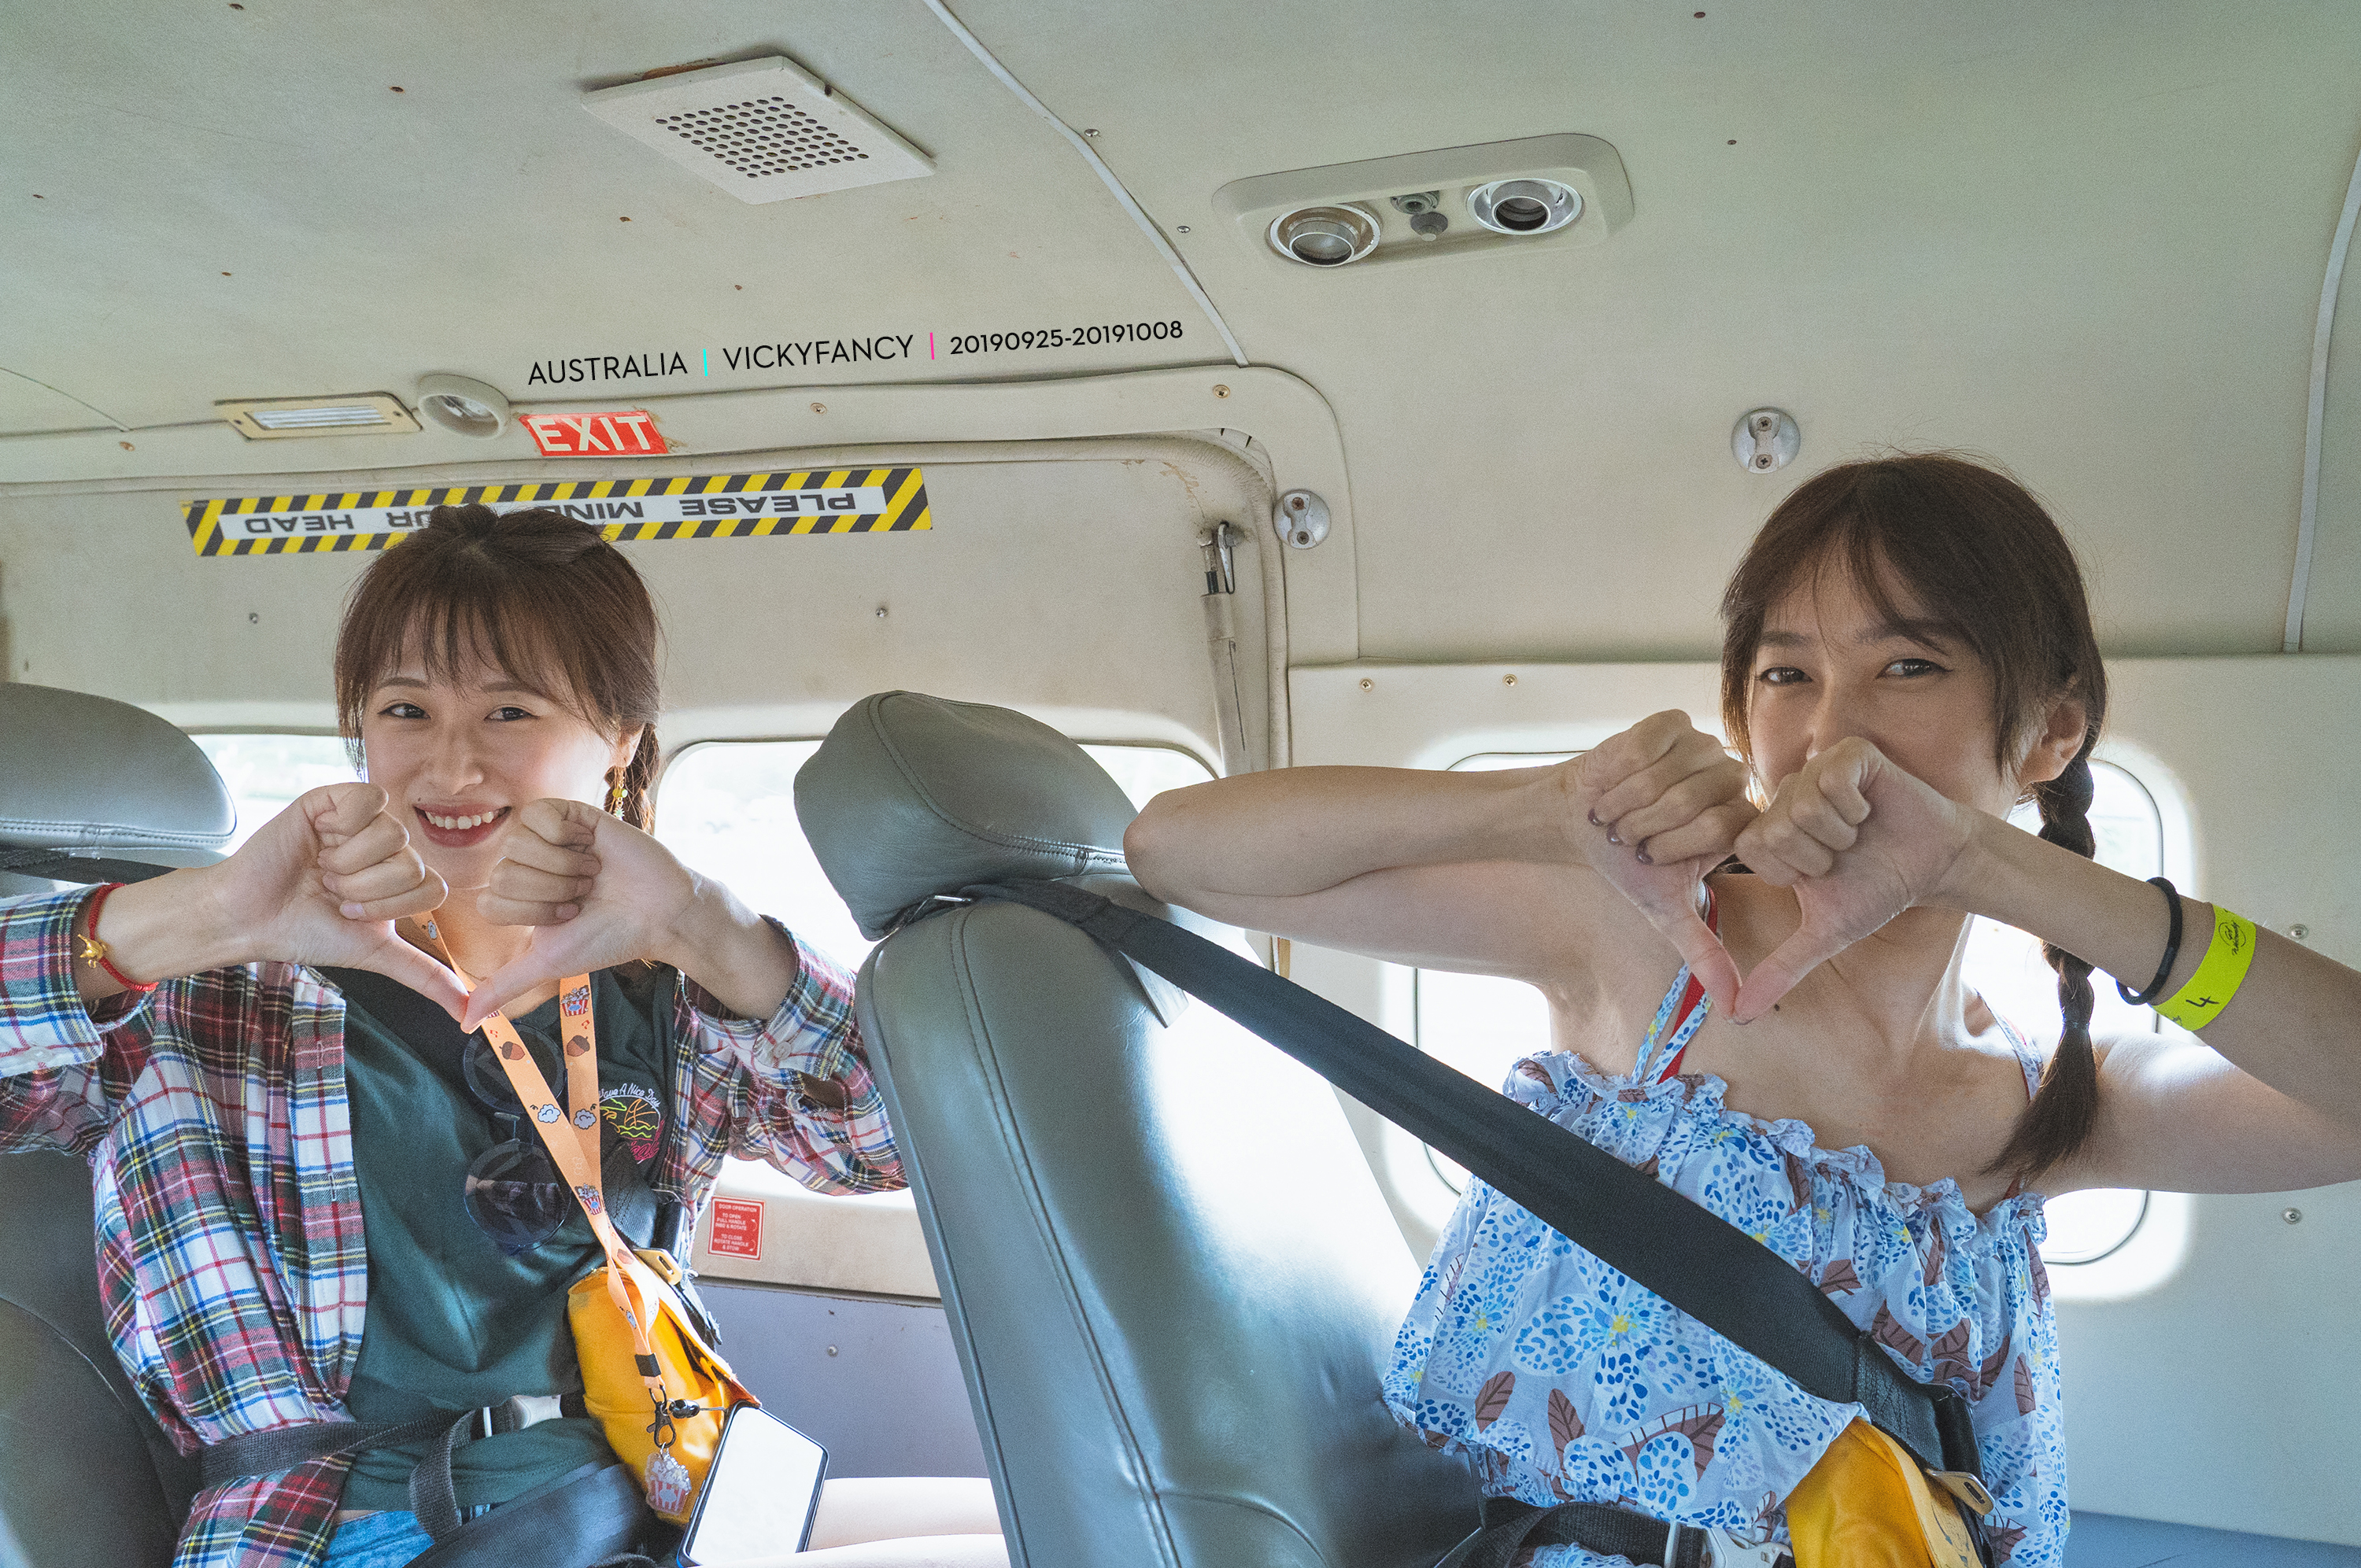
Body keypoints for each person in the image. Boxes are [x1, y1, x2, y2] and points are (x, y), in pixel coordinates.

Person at [1124, 454, 2361, 1566]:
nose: (1831, 728)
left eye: (1910, 665)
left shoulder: (2054, 1103)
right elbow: (1179, 850)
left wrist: (1992, 864)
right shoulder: (1643, 942)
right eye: (1787, 674)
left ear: (2053, 732)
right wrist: (1543, 810)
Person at [0, 506, 1003, 1568]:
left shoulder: (658, 999)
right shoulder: (211, 999)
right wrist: (206, 914)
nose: (452, 767)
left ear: (619, 743)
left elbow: (887, 1144)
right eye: (406, 710)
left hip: (641, 1487)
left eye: (510, 712)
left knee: (1036, 1529)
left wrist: (707, 925)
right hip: (355, 1532)